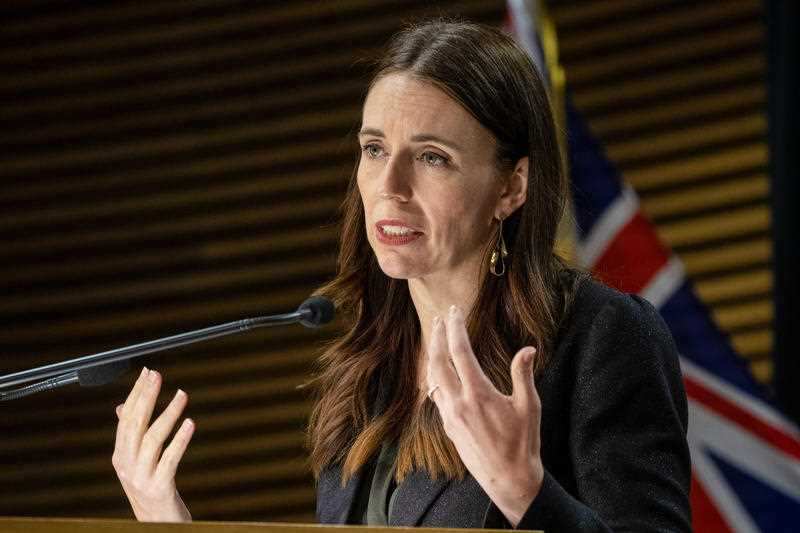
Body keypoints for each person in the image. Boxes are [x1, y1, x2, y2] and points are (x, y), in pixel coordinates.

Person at [112, 19, 692, 532]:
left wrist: (527, 495)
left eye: (432, 156)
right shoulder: (364, 376)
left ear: (511, 187)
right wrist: (173, 529)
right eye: (373, 149)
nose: (390, 186)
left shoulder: (600, 337)